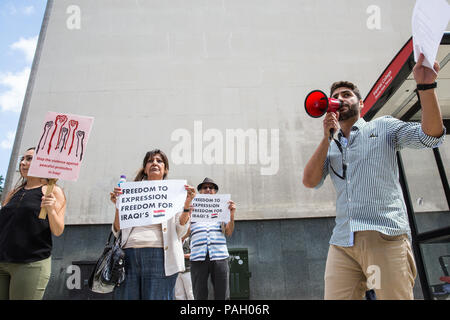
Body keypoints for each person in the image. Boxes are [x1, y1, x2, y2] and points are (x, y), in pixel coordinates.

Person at [302, 53, 446, 300]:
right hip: (342, 242)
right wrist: (326, 137)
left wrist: (426, 87)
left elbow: (430, 136)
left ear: (361, 103)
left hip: (384, 235)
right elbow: (310, 181)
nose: (339, 100)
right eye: (334, 97)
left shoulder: (384, 127)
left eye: (346, 95)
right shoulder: (332, 144)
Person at [109, 149, 195, 300]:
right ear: (145, 168)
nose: (154, 163)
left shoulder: (174, 193)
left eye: (159, 160)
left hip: (161, 255)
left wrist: (187, 205)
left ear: (165, 169)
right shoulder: (130, 191)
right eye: (150, 161)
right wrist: (119, 205)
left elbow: (180, 231)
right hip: (128, 255)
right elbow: (117, 230)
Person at [0, 147, 66, 300]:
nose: (23, 163)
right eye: (22, 159)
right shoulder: (13, 192)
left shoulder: (52, 191)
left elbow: (58, 230)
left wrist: (51, 209)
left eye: (29, 159)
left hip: (30, 263)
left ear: (43, 162)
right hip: (2, 262)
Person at [190, 177, 236, 300]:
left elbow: (229, 232)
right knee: (199, 294)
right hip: (198, 257)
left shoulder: (222, 208)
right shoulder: (192, 208)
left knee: (222, 295)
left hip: (219, 256)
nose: (208, 189)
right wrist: (187, 212)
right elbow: (183, 233)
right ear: (200, 191)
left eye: (211, 188)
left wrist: (231, 215)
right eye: (205, 187)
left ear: (215, 192)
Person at [174, 231, 194, 300]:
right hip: (177, 271)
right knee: (179, 295)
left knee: (191, 293)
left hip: (188, 270)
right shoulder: (175, 241)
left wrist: (182, 255)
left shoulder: (190, 240)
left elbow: (194, 254)